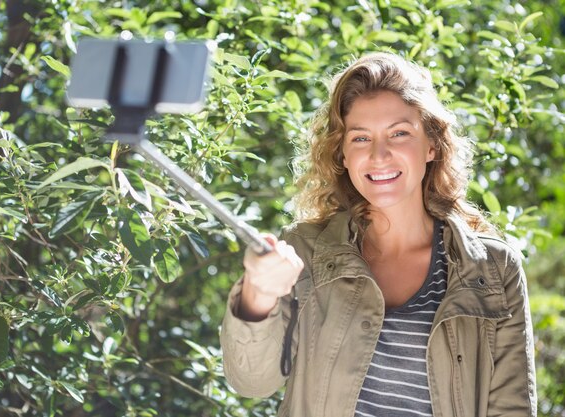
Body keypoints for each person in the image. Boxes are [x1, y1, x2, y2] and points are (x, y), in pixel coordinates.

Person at [220, 52, 537, 416]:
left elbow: (511, 408)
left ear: (431, 144)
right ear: (342, 154)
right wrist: (258, 293)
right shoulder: (306, 250)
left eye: (399, 133)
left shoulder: (492, 269)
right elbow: (251, 382)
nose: (379, 155)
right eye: (360, 138)